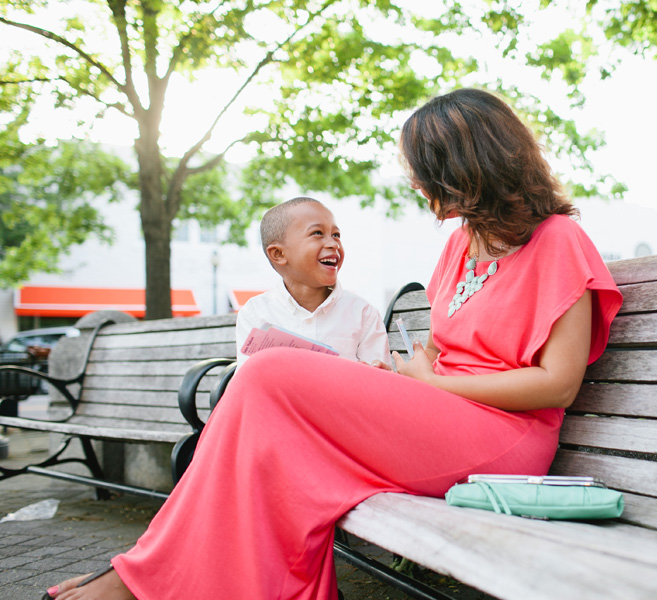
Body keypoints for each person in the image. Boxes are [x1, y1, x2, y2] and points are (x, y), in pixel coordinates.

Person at [44, 88, 623, 600]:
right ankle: (155, 572)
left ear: (466, 167)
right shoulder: (460, 245)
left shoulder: (560, 241)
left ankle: (141, 579)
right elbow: (446, 350)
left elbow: (558, 384)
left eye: (424, 169)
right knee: (269, 429)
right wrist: (411, 374)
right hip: (441, 412)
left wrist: (434, 384)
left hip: (505, 439)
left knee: (267, 374)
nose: (416, 183)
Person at [234, 197, 390, 368]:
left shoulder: (363, 314)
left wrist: (380, 372)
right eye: (317, 233)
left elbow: (379, 375)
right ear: (278, 253)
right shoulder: (255, 312)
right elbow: (249, 375)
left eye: (336, 235)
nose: (333, 244)